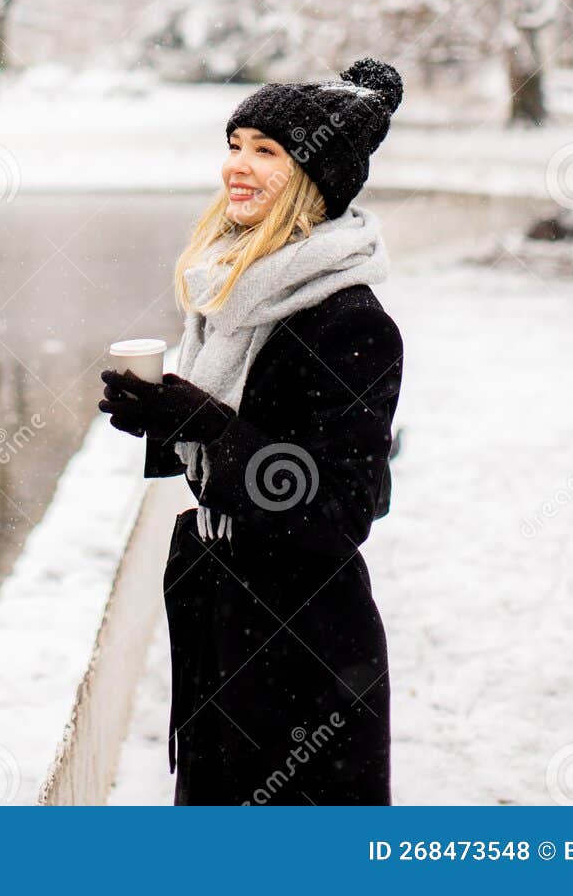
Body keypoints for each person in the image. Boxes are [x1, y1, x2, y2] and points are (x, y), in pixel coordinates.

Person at [100, 58, 404, 806]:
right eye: (235, 143)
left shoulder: (349, 321)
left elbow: (344, 506)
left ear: (314, 177)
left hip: (302, 648)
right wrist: (163, 420)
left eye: (266, 151)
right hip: (224, 615)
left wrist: (206, 423)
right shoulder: (230, 290)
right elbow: (244, 443)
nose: (237, 165)